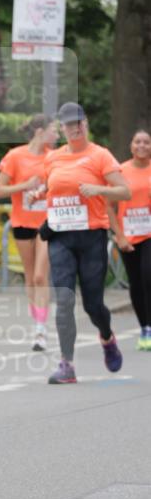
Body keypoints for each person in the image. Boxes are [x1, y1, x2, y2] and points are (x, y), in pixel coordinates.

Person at [28, 102, 132, 384]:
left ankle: (107, 337)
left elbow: (124, 191)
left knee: (93, 304)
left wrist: (98, 189)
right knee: (63, 299)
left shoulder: (100, 155)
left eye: (79, 123)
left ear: (85, 124)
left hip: (91, 236)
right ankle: (67, 364)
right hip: (60, 236)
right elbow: (52, 185)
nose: (75, 128)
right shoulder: (53, 158)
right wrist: (39, 193)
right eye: (69, 124)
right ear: (62, 129)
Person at [0, 115, 59, 351]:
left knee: (41, 276)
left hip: (46, 224)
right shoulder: (15, 156)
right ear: (40, 131)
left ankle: (41, 330)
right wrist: (25, 186)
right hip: (22, 223)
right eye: (54, 130)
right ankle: (37, 322)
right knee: (30, 277)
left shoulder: (54, 158)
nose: (57, 135)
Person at [107, 128, 151, 350]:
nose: (142, 146)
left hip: (149, 234)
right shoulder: (120, 172)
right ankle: (144, 328)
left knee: (148, 276)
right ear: (131, 146)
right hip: (128, 235)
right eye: (137, 142)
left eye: (146, 142)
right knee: (136, 282)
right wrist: (119, 235)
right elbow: (109, 206)